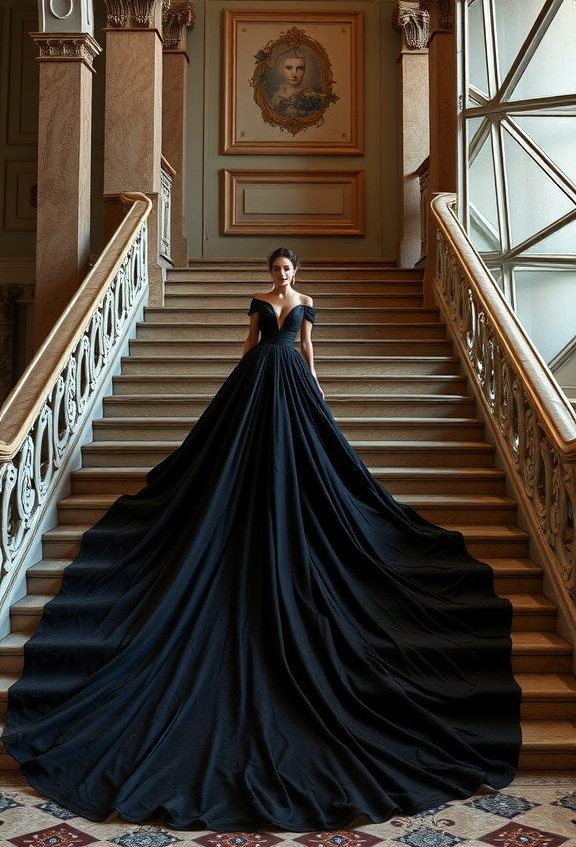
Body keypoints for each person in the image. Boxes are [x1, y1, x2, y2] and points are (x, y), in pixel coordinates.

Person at [2, 248, 522, 832]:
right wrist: (232, 391)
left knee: (299, 462)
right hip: (255, 382)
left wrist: (319, 399)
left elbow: (308, 355)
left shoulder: (304, 306)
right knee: (239, 461)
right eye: (276, 270)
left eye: (287, 270)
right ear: (270, 273)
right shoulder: (261, 304)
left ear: (297, 271)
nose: (281, 277)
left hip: (294, 384)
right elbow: (250, 347)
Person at [268, 50, 324, 117]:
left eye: (300, 68)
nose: (294, 74)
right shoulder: (276, 95)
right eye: (289, 68)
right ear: (282, 69)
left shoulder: (312, 95)